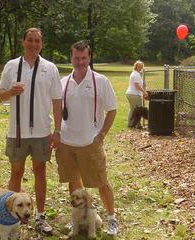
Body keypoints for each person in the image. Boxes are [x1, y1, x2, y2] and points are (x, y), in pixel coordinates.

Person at [0, 27, 62, 235]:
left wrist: (58, 130)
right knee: (16, 173)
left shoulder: (50, 68)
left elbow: (57, 100)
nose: (34, 44)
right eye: (30, 40)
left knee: (40, 172)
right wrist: (10, 92)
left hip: (42, 131)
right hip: (17, 132)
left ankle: (40, 217)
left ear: (41, 44)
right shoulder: (11, 66)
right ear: (23, 42)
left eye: (38, 41)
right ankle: (11, 216)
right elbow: (0, 95)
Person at [55, 40, 119, 236]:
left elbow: (112, 110)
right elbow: (57, 108)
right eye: (76, 58)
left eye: (84, 58)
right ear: (71, 58)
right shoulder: (64, 82)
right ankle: (78, 218)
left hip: (90, 142)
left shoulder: (100, 81)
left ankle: (111, 219)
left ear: (89, 58)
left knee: (101, 182)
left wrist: (101, 135)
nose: (80, 62)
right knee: (74, 183)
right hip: (66, 142)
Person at [125, 60, 148, 128]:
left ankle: (130, 123)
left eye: (141, 66)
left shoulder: (136, 73)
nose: (140, 67)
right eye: (139, 66)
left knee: (133, 109)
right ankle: (138, 125)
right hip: (134, 94)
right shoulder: (135, 74)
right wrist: (144, 92)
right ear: (136, 66)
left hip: (131, 93)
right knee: (139, 110)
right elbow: (137, 85)